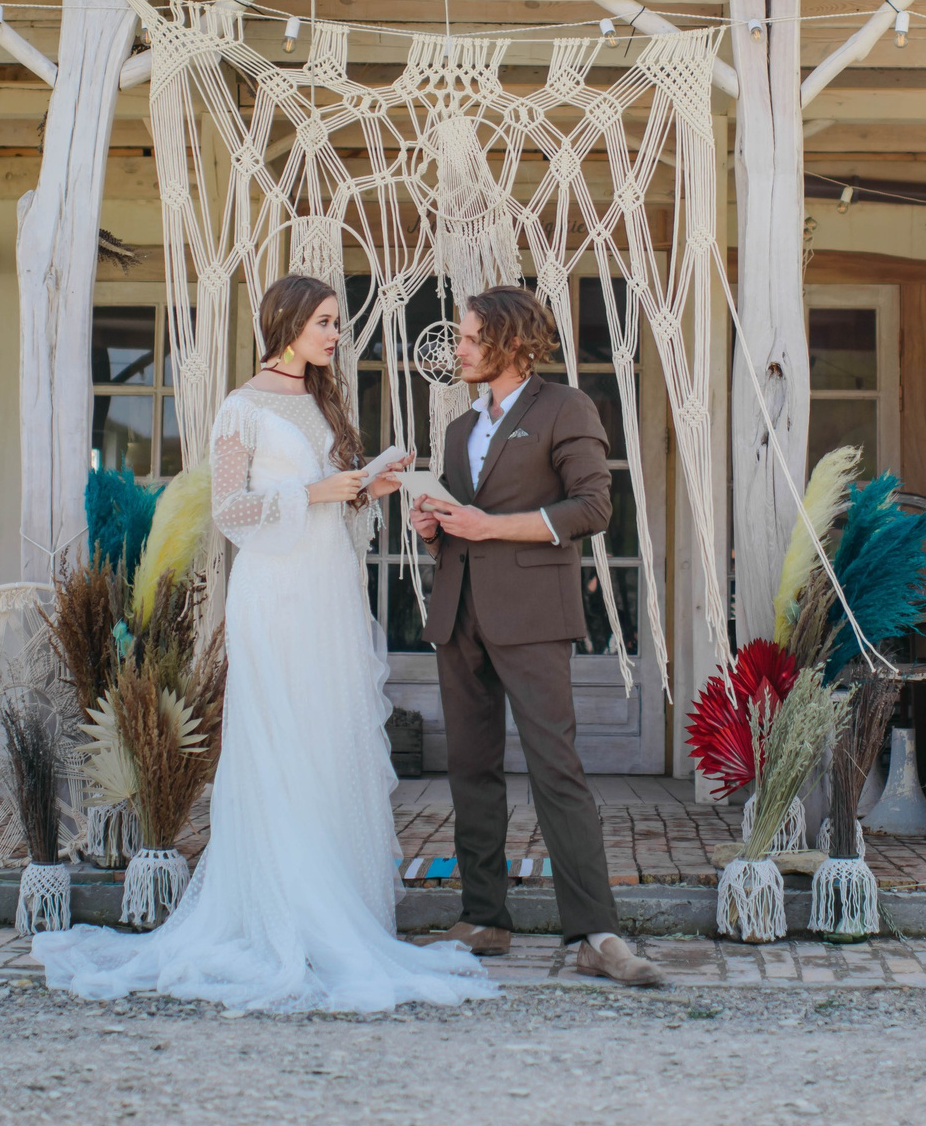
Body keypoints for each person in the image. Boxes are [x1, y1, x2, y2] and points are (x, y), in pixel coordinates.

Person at [34, 274, 497, 1014]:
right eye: (324, 320)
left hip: (327, 592)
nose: (334, 333)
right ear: (285, 323)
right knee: (278, 743)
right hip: (275, 595)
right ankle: (282, 913)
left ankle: (332, 906)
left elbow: (324, 494)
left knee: (325, 742)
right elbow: (232, 508)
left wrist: (367, 485)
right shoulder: (241, 407)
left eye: (336, 322)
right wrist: (320, 490)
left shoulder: (318, 400)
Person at [408, 285, 667, 988]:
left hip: (533, 617)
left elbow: (592, 506)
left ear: (510, 343)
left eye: (467, 338)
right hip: (460, 613)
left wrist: (490, 526)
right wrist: (436, 525)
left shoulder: (566, 408)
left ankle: (595, 933)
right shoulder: (460, 430)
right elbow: (468, 518)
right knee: (470, 768)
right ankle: (484, 915)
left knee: (557, 770)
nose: (456, 347)